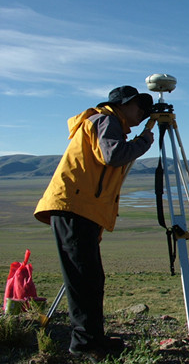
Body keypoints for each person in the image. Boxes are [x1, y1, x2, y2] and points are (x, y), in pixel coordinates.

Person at [34, 85, 155, 362]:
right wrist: (145, 140)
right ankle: (84, 344)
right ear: (123, 104)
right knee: (83, 279)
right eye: (140, 106)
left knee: (91, 278)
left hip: (79, 208)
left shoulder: (107, 121)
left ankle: (94, 339)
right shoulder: (106, 119)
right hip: (74, 208)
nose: (143, 112)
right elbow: (112, 155)